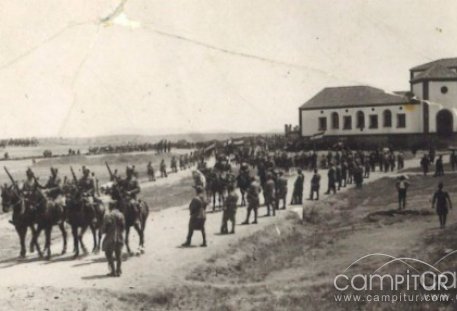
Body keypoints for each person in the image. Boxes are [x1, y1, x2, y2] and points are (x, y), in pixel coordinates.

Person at [101, 202, 125, 277]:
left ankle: (113, 271)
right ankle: (118, 271)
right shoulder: (121, 214)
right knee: (119, 255)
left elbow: (104, 228)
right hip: (120, 237)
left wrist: (103, 231)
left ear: (110, 207)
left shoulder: (108, 215)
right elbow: (123, 227)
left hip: (110, 237)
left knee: (108, 254)